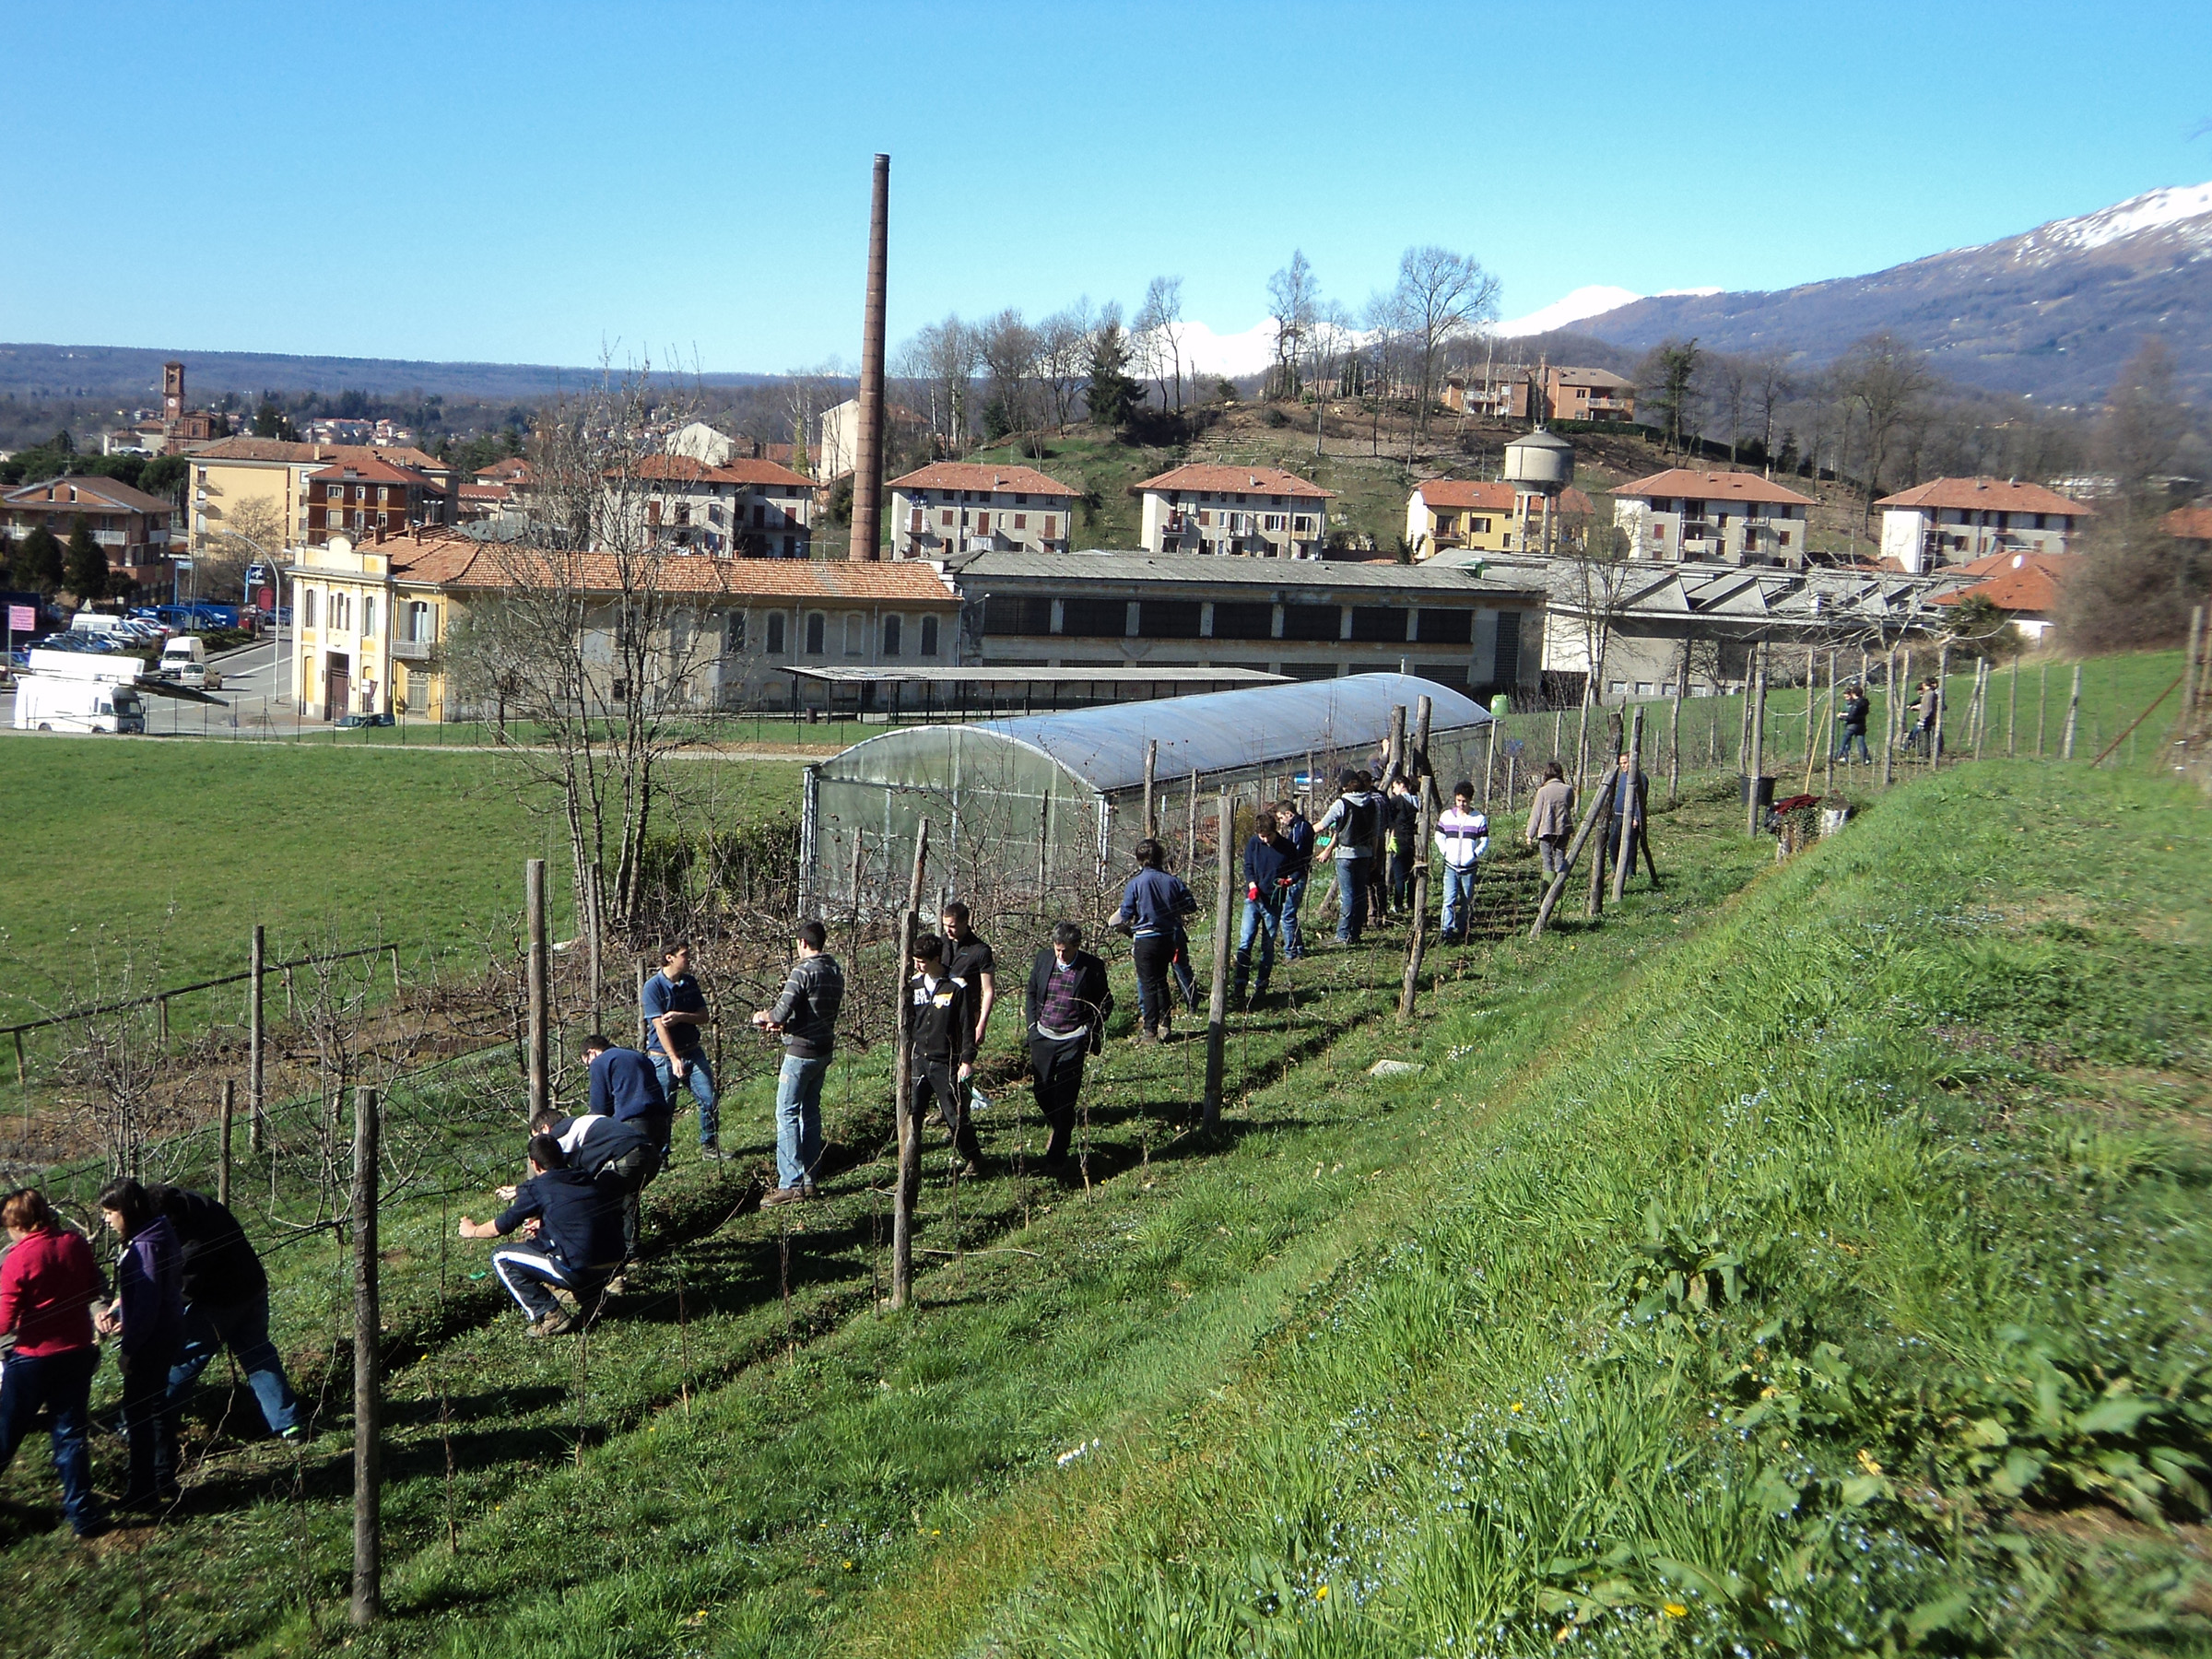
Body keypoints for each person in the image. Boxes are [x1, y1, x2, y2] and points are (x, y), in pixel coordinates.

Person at [149, 1184, 305, 1445]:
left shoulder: (197, 1238)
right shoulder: (194, 1201)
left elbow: (183, 1288)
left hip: (224, 1302)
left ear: (167, 1218)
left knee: (185, 1356)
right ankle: (289, 1425)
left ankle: (149, 1422)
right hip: (253, 1286)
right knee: (257, 1354)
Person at [0, 1188, 107, 1537]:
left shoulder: (17, 1258)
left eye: (8, 1226)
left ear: (18, 1223)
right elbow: (93, 1287)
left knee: (7, 1432)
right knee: (71, 1435)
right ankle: (83, 1514)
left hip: (32, 1358)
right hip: (75, 1352)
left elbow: (4, 1322)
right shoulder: (74, 1243)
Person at [458, 1135, 626, 1337]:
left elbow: (499, 1228)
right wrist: (544, 1224)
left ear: (534, 1163)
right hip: (615, 1264)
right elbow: (576, 1216)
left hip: (580, 1270)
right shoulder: (584, 1175)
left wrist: (472, 1230)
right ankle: (597, 1301)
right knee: (573, 1248)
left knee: (500, 1257)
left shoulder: (537, 1187)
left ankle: (550, 1315)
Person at [93, 1179, 183, 1509]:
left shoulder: (144, 1246)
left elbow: (147, 1306)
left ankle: (143, 1490)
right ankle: (164, 1478)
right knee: (158, 1406)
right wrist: (122, 1309)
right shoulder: (158, 1232)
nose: (106, 1220)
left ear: (127, 1211)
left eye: (110, 1212)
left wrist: (130, 1348)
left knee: (138, 1413)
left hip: (151, 1340)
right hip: (166, 1330)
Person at [751, 920, 845, 1206]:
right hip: (823, 1049)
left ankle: (790, 1183)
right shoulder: (834, 970)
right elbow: (814, 1011)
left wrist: (762, 1017)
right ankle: (810, 1179)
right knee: (811, 1114)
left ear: (802, 943)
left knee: (786, 1113)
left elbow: (779, 1012)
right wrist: (789, 1023)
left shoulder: (802, 971)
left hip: (800, 1054)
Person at [529, 1107, 659, 1277]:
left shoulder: (560, 1134)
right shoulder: (583, 1124)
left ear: (546, 1129)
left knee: (600, 1209)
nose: (541, 1143)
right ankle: (631, 1255)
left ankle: (610, 1268)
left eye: (537, 1136)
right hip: (650, 1154)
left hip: (625, 1157)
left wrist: (535, 1208)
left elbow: (553, 1177)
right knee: (626, 1201)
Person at [1024, 923, 1112, 1167]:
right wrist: (1032, 1026)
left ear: (1077, 946)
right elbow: (1031, 991)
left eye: (1065, 950)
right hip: (1043, 1035)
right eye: (1057, 949)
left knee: (1066, 1096)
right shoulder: (1043, 960)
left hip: (1072, 1038)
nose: (1060, 954)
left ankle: (1057, 1155)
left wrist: (1088, 1030)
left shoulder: (1092, 967)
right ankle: (1061, 1124)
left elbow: (1105, 1002)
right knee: (1041, 1091)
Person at [906, 935, 985, 1175]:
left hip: (947, 1062)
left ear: (936, 959)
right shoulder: (913, 985)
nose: (918, 966)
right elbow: (910, 1021)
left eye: (922, 961)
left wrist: (966, 1060)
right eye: (915, 960)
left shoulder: (956, 985)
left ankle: (974, 1157)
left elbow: (966, 1026)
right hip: (920, 1059)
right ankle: (910, 1165)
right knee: (913, 1113)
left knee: (954, 1115)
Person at [1108, 838, 1196, 1042]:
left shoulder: (1136, 883)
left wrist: (1120, 926)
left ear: (1139, 860)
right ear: (1160, 857)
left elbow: (1127, 912)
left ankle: (1150, 1032)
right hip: (1167, 937)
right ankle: (1165, 1025)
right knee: (1162, 982)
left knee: (1148, 985)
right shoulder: (1172, 881)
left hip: (1145, 940)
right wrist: (1171, 909)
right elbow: (1190, 906)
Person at [642, 941, 717, 1152]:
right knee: (664, 1109)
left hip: (692, 1051)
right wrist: (673, 1058)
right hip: (663, 1057)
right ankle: (661, 1155)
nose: (689, 958)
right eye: (684, 954)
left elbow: (704, 1016)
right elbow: (659, 1027)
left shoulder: (690, 983)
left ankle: (709, 1146)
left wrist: (681, 1017)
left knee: (709, 1100)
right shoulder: (653, 987)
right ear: (669, 957)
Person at [1234, 804, 1294, 1005]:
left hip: (1273, 902)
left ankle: (1262, 985)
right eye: (1262, 836)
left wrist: (1290, 880)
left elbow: (1299, 868)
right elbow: (1248, 865)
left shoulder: (1287, 847)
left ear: (1274, 831)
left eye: (1268, 836)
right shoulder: (1253, 843)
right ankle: (1239, 984)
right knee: (1245, 941)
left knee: (1267, 945)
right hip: (1254, 899)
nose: (1265, 839)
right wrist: (1252, 885)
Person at [1314, 770, 1382, 945]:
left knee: (1347, 896)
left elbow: (1322, 825)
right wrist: (1374, 855)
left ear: (1345, 786)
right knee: (1360, 895)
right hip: (1365, 853)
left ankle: (1343, 935)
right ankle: (1356, 932)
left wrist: (1304, 829)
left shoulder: (1341, 803)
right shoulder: (1372, 803)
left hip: (1345, 853)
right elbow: (1375, 834)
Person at [581, 1034, 673, 1150]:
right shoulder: (638, 1056)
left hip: (632, 1123)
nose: (590, 1067)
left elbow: (600, 1108)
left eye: (587, 1064)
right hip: (660, 1121)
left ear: (591, 1052)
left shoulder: (599, 1062)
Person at [1434, 782, 1488, 945]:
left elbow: (1484, 840)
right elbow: (1438, 836)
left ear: (1470, 800)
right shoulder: (1447, 816)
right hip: (1450, 866)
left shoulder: (1478, 818)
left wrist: (1474, 854)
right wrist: (1445, 852)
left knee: (1466, 899)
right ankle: (1446, 930)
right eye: (1458, 801)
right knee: (1449, 899)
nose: (1461, 804)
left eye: (1464, 801)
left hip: (1469, 867)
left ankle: (1463, 928)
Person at [940, 902, 995, 1049]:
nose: (948, 930)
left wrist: (981, 1025)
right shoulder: (940, 944)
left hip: (967, 1018)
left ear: (965, 923)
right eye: (945, 925)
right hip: (941, 1015)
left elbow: (988, 990)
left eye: (952, 926)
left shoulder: (980, 951)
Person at [1594, 752, 1650, 888]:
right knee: (1613, 844)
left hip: (1631, 818)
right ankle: (1615, 869)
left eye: (1625, 763)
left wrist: (1637, 817)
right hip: (1617, 816)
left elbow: (1641, 801)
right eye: (1621, 764)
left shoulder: (1641, 778)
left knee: (1630, 846)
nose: (1623, 766)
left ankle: (1630, 874)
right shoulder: (1622, 777)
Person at [1277, 795, 1315, 961]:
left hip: (1296, 876)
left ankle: (1291, 952)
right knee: (1291, 913)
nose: (1281, 822)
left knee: (1287, 915)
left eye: (1281, 818)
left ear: (1289, 814)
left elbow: (1297, 855)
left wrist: (1290, 874)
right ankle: (1298, 947)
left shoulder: (1299, 830)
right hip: (1299, 873)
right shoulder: (1303, 827)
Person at [1526, 762, 1575, 883]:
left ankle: (1547, 890)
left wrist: (1530, 834)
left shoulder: (1543, 791)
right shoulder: (1568, 789)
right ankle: (1559, 888)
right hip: (1563, 829)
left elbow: (1536, 813)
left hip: (1546, 830)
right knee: (1560, 859)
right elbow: (1570, 805)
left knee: (1547, 862)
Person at [1383, 777, 1420, 915]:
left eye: (1394, 787)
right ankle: (1411, 902)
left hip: (1398, 839)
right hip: (1413, 841)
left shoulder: (1396, 802)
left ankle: (1397, 904)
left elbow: (1387, 816)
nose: (1393, 790)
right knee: (1412, 873)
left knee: (1399, 875)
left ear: (1401, 785)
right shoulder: (1416, 801)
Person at [1834, 681, 1871, 763]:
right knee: (1861, 742)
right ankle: (1864, 759)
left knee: (1844, 741)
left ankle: (1837, 757)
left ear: (1854, 694)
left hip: (1852, 726)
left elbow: (1851, 716)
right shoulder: (1865, 702)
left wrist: (1842, 717)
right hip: (1861, 725)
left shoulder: (1856, 704)